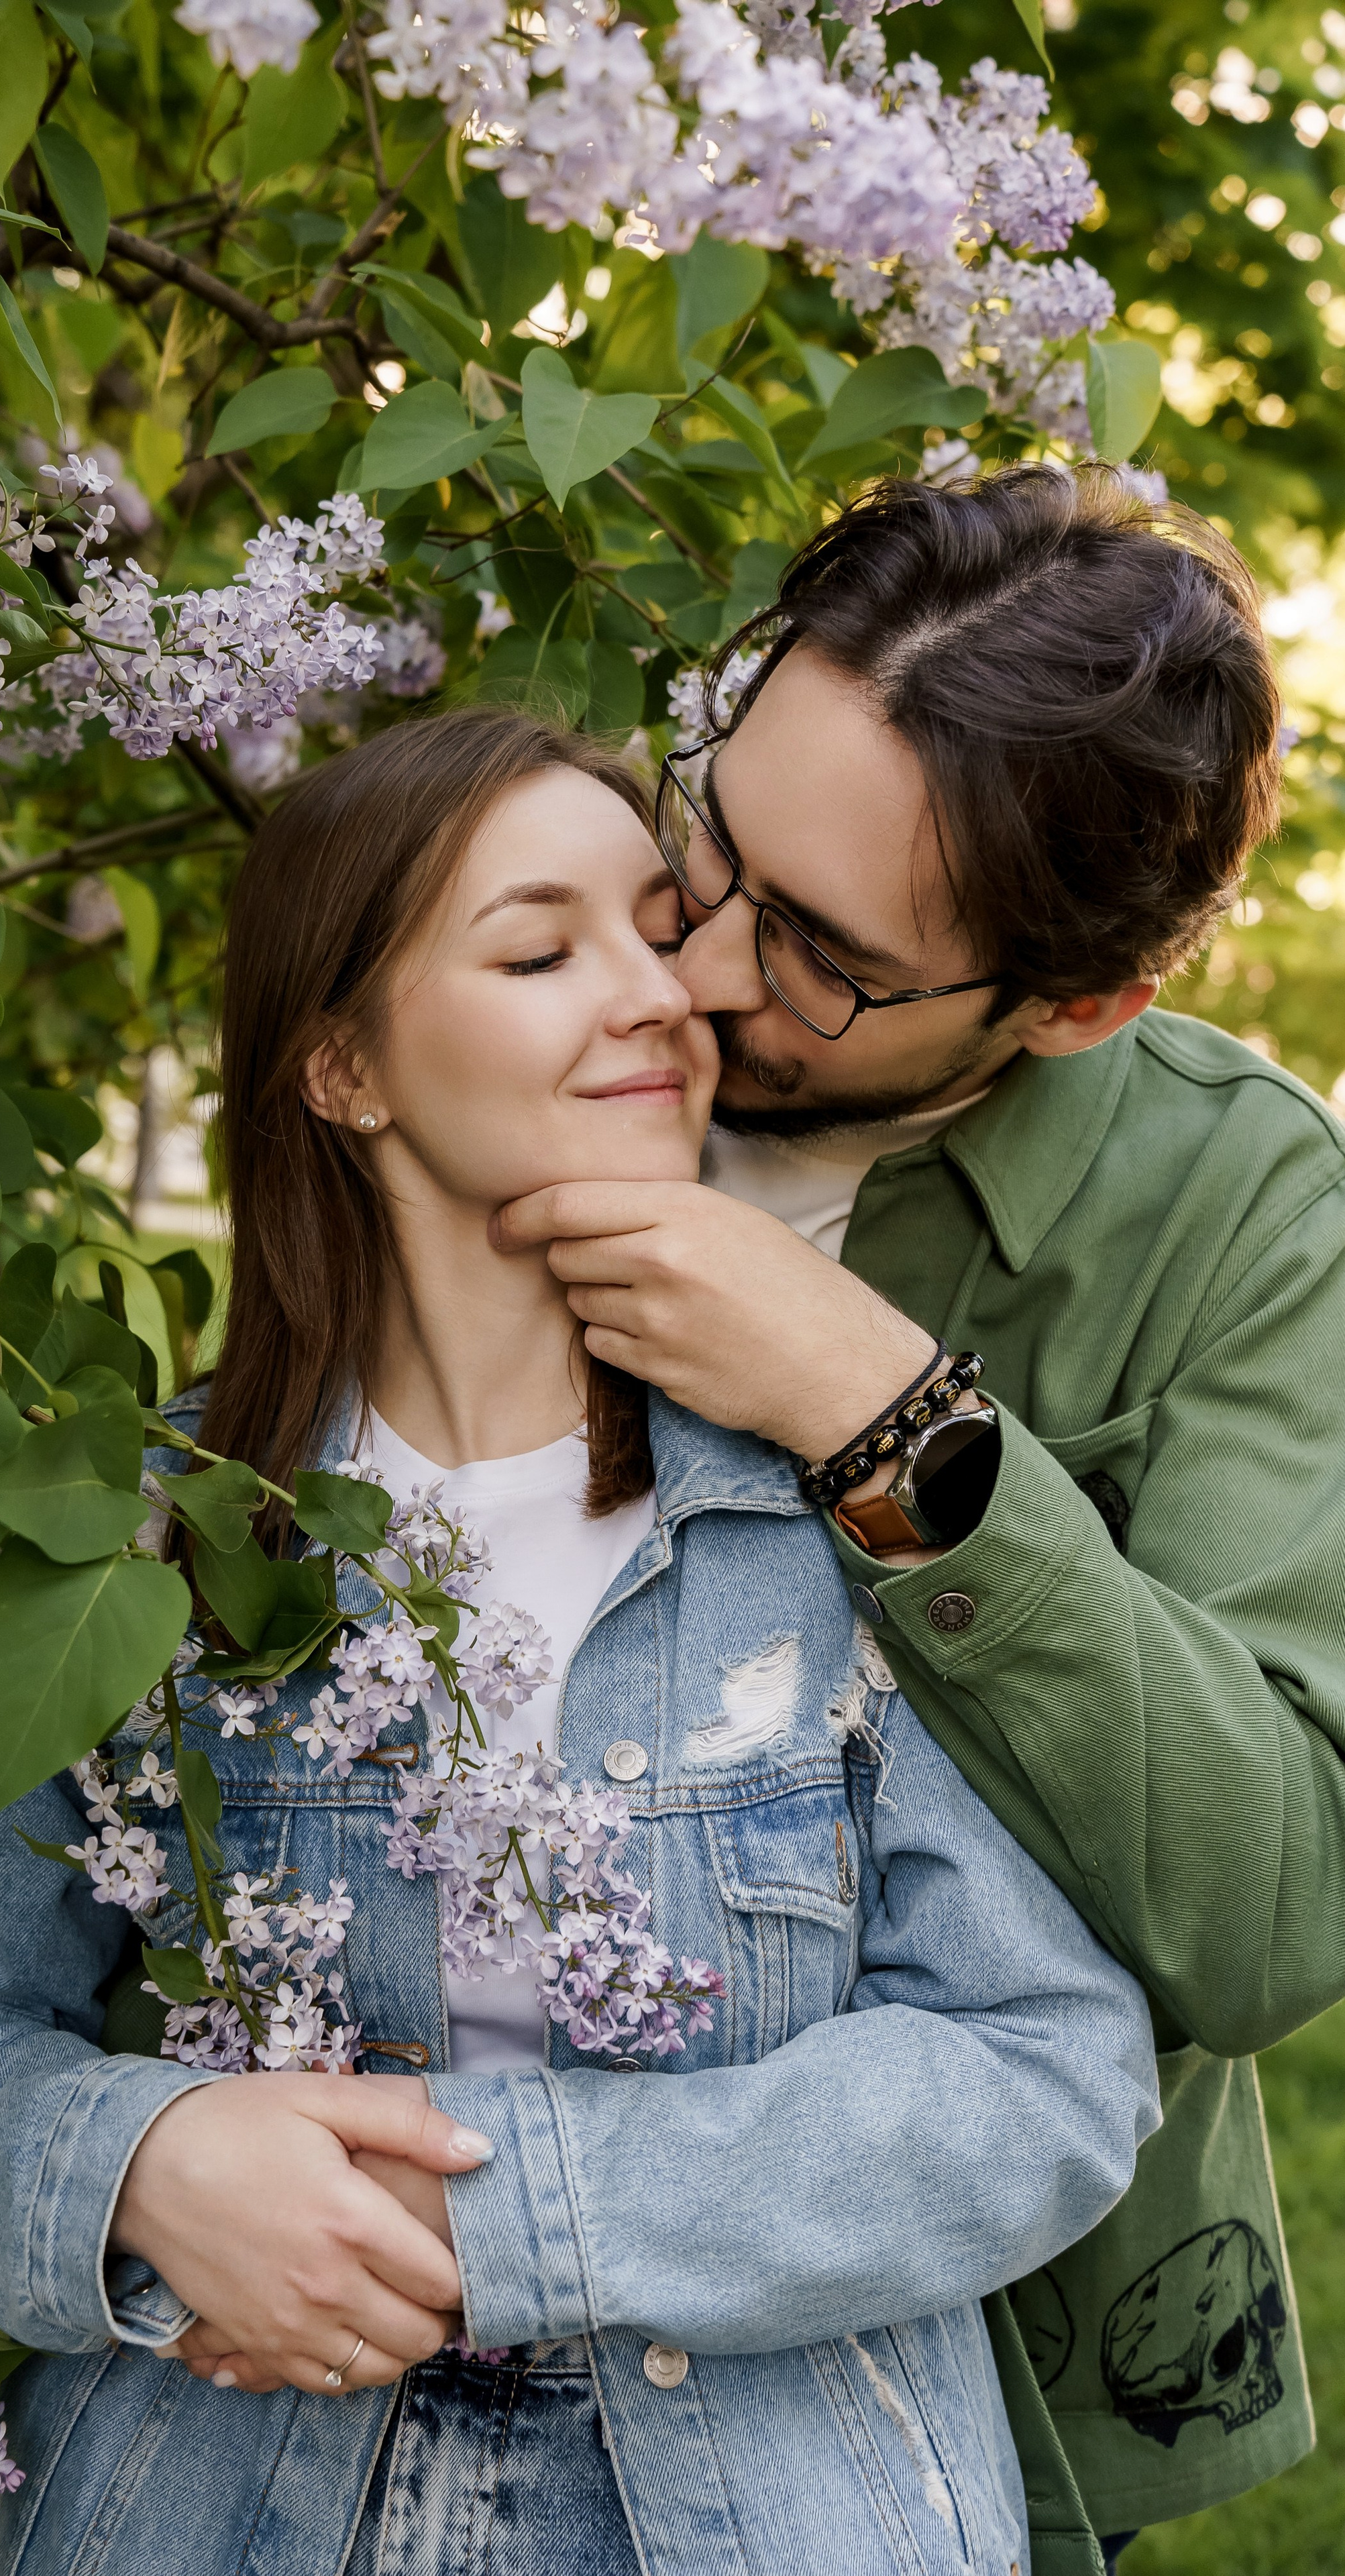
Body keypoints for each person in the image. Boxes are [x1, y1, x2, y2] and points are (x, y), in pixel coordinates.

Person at [0, 706, 1157, 2576]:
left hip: (768, 2498)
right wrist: (142, 2164)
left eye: (656, 926)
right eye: (544, 950)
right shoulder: (151, 1543)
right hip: (231, 2490)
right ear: (342, 1068)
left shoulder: (832, 1496)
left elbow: (1045, 2065)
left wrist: (515, 2214)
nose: (658, 994)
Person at [490, 464, 1345, 2569]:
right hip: (406, 2262)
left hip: (956, 2362)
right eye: (714, 836)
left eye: (821, 958)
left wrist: (884, 1415)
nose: (683, 970)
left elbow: (1271, 1916)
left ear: (1075, 1007)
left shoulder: (1249, 1210)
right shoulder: (520, 965)